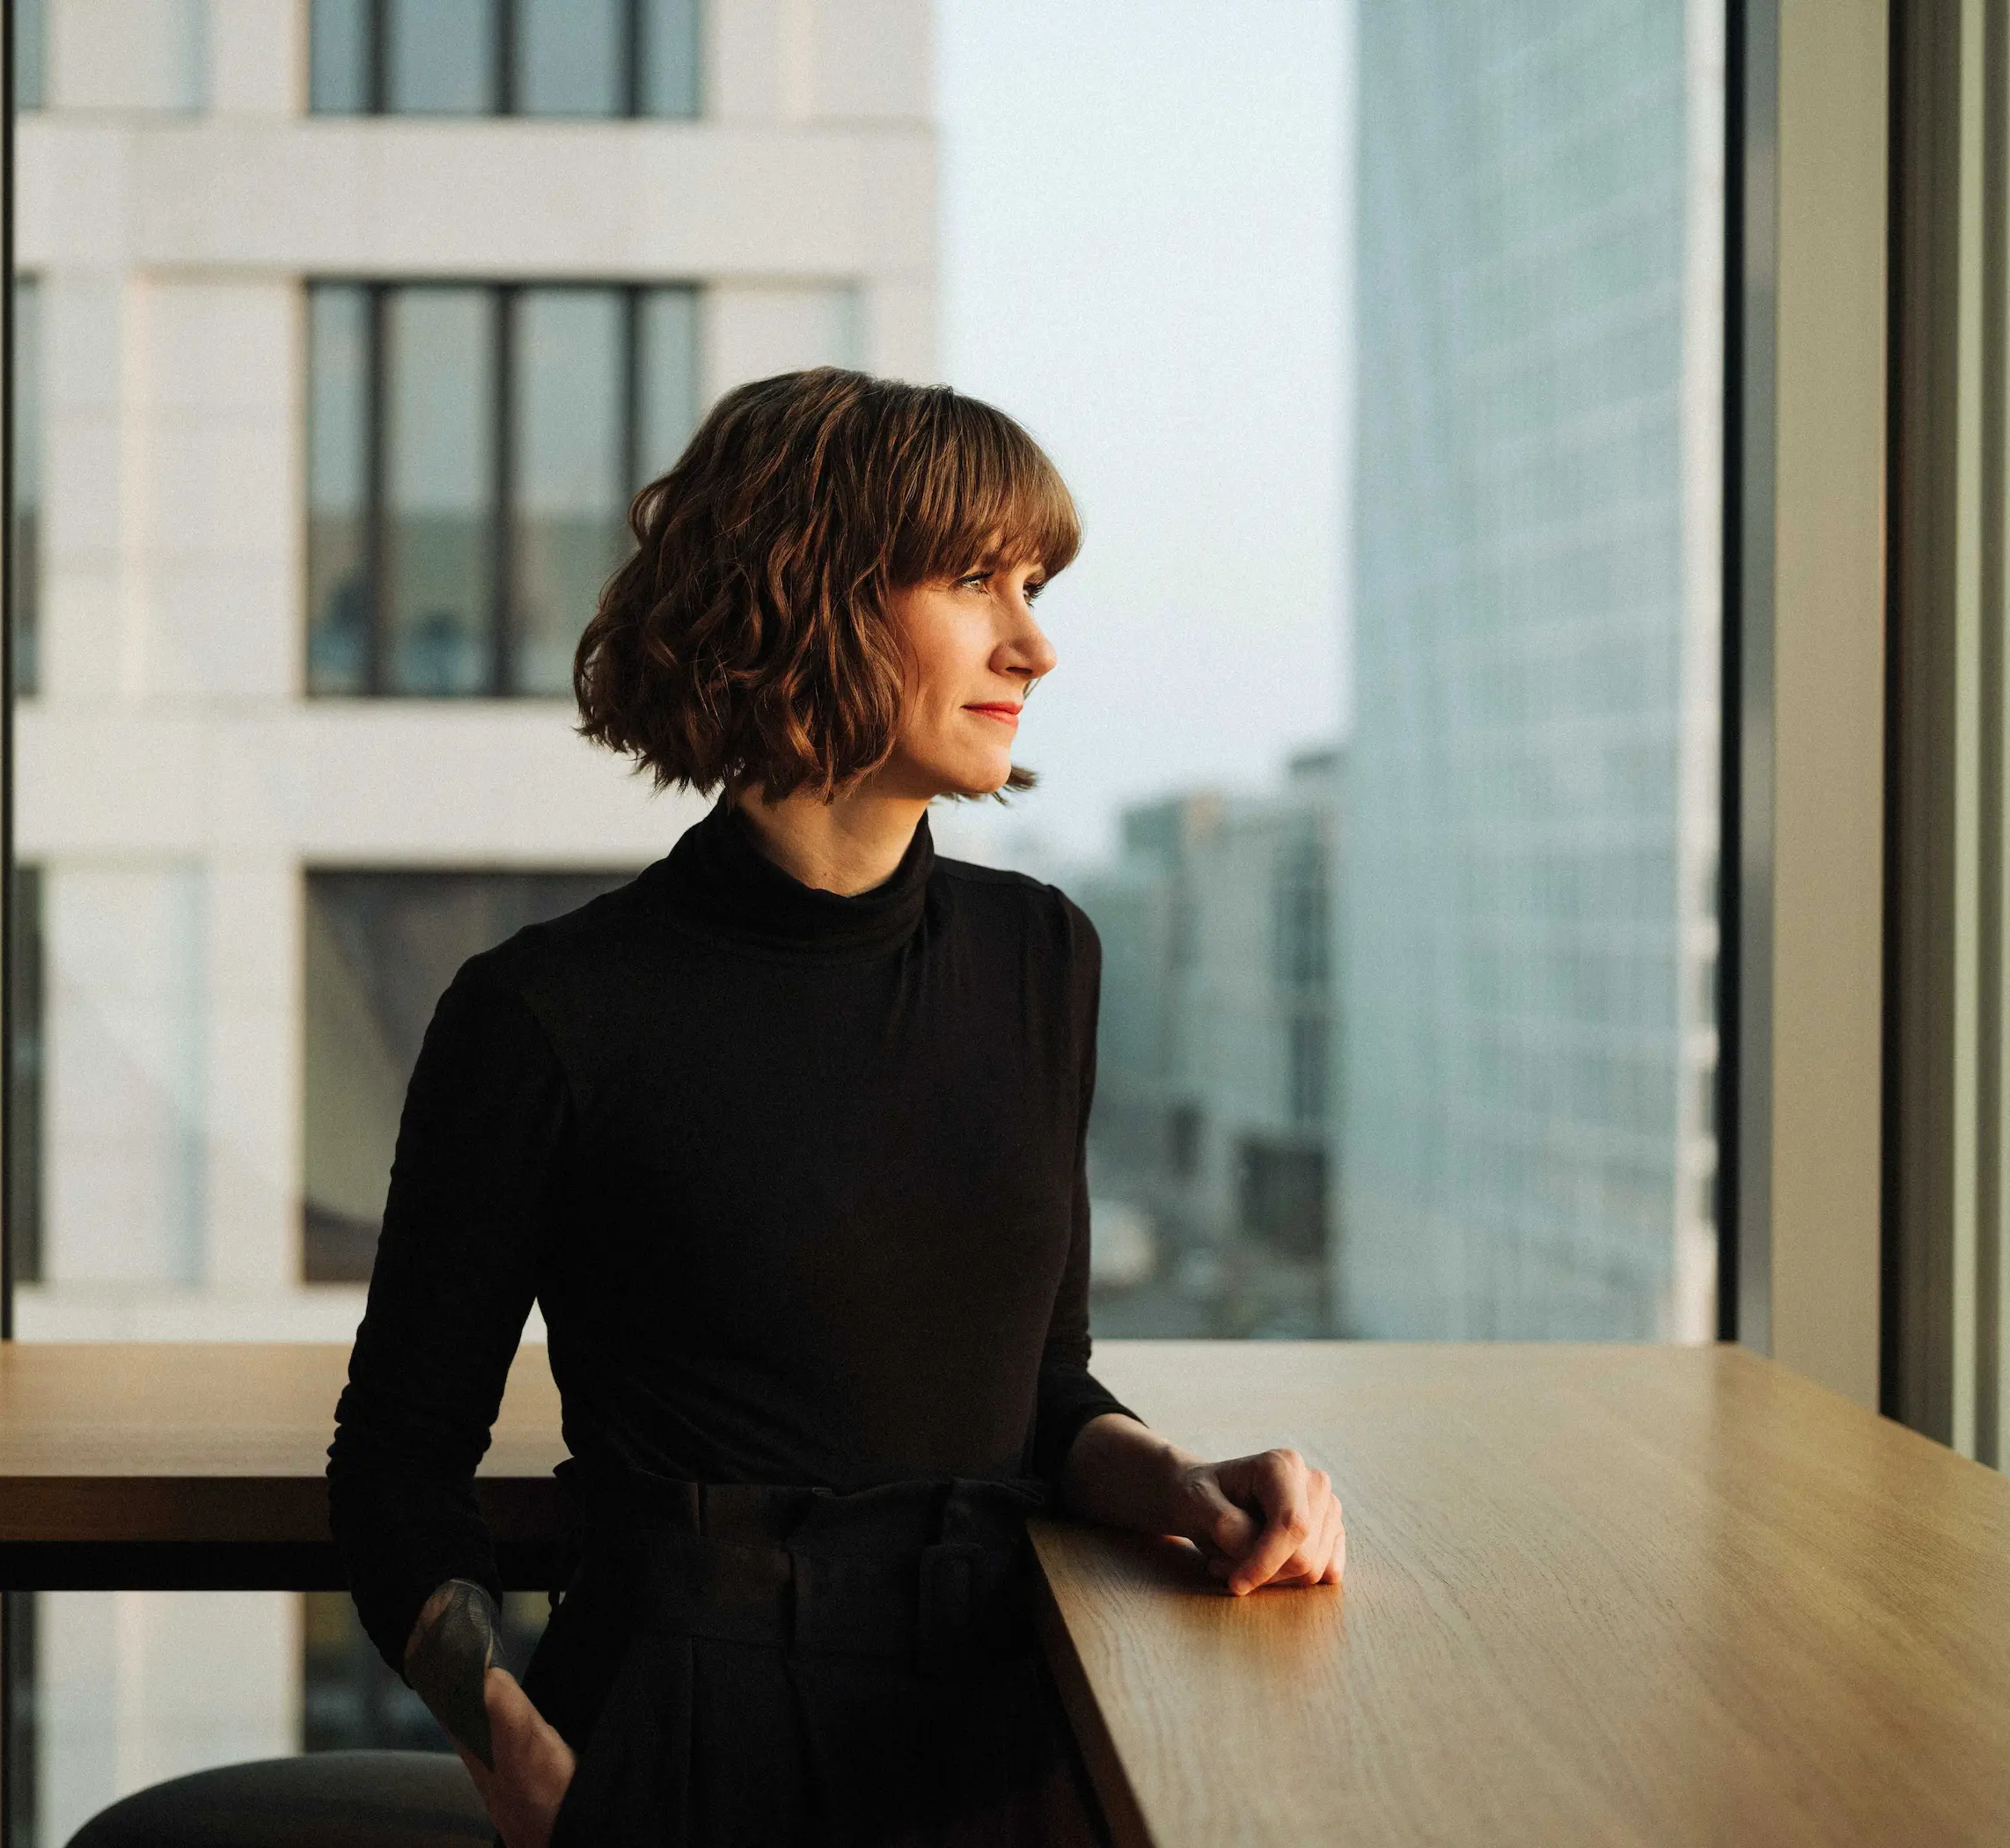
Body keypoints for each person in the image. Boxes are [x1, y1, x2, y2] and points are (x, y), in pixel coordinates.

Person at [326, 366, 1346, 1848]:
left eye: (1037, 582)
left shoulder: (1041, 955)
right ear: (805, 592)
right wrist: (528, 1765)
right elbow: (396, 1471)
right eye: (973, 579)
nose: (1035, 641)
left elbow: (1035, 1399)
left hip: (1002, 1730)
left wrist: (1185, 1485)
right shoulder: (544, 1012)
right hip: (675, 1751)